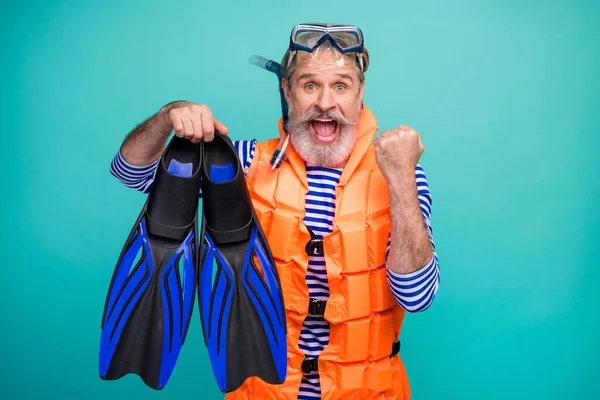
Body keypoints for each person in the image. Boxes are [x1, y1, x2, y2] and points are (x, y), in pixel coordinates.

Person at [109, 23, 439, 400]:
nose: (326, 103)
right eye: (310, 85)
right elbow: (130, 171)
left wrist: (400, 179)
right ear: (287, 90)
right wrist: (169, 116)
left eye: (341, 86)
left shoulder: (401, 175)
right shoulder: (247, 162)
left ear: (361, 92)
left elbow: (417, 296)